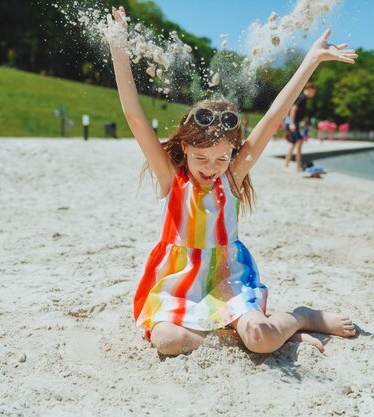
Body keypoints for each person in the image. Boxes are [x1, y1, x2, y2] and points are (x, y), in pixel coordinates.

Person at [105, 6, 358, 356]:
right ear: (184, 147)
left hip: (228, 279)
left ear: (233, 153)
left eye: (222, 157)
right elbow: (133, 116)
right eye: (202, 158)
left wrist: (311, 60)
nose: (212, 167)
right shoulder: (171, 176)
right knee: (167, 341)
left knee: (263, 340)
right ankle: (246, 335)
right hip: (178, 284)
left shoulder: (234, 176)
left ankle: (299, 318)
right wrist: (119, 47)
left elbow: (272, 119)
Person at [284, 82, 316, 170]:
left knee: (297, 143)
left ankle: (296, 165)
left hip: (294, 123)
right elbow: (293, 109)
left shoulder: (303, 98)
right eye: (314, 91)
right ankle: (291, 165)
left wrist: (300, 123)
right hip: (292, 123)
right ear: (310, 89)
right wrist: (292, 123)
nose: (314, 94)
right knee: (297, 143)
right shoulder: (303, 97)